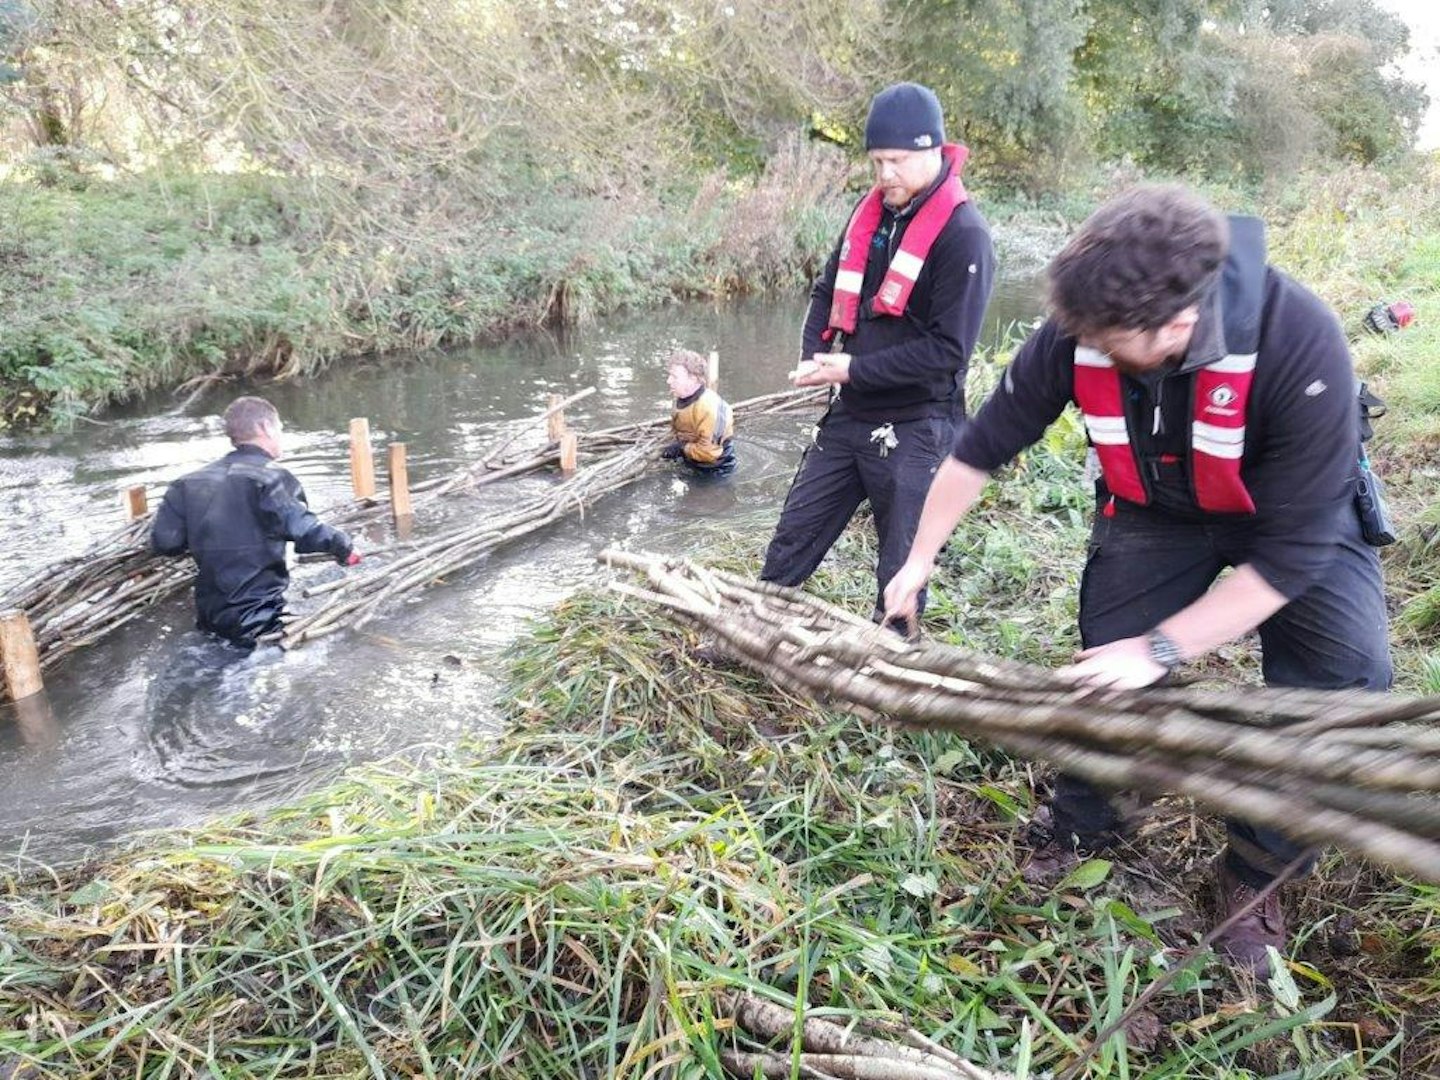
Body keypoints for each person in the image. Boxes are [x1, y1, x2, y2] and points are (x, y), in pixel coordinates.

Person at [883, 185, 1391, 975]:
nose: (1086, 347)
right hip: (1157, 506)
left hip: (1286, 516)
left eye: (1109, 340)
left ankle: (1255, 881)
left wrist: (1160, 646)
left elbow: (1289, 561)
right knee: (1105, 665)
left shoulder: (1300, 341)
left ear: (1180, 323)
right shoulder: (1081, 326)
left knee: (1341, 684)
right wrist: (917, 562)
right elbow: (980, 448)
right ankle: (1089, 822)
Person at [760, 82, 995, 628]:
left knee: (901, 562)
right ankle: (751, 628)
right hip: (850, 412)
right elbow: (825, 291)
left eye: (897, 160)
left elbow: (948, 352)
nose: (885, 174)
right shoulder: (870, 215)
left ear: (933, 149)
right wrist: (814, 355)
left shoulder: (965, 236)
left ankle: (891, 664)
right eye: (877, 161)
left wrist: (856, 368)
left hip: (918, 425)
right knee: (795, 531)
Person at [152, 396, 360, 648]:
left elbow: (165, 543)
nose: (281, 435)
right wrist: (344, 546)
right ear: (265, 428)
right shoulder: (270, 477)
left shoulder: (186, 483)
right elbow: (306, 529)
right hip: (258, 619)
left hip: (209, 616)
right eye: (280, 428)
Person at [660, 349, 736, 477]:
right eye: (669, 375)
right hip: (691, 461)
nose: (668, 381)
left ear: (693, 378)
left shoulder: (709, 408)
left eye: (674, 377)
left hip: (715, 470)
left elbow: (709, 453)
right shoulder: (680, 397)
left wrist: (681, 448)